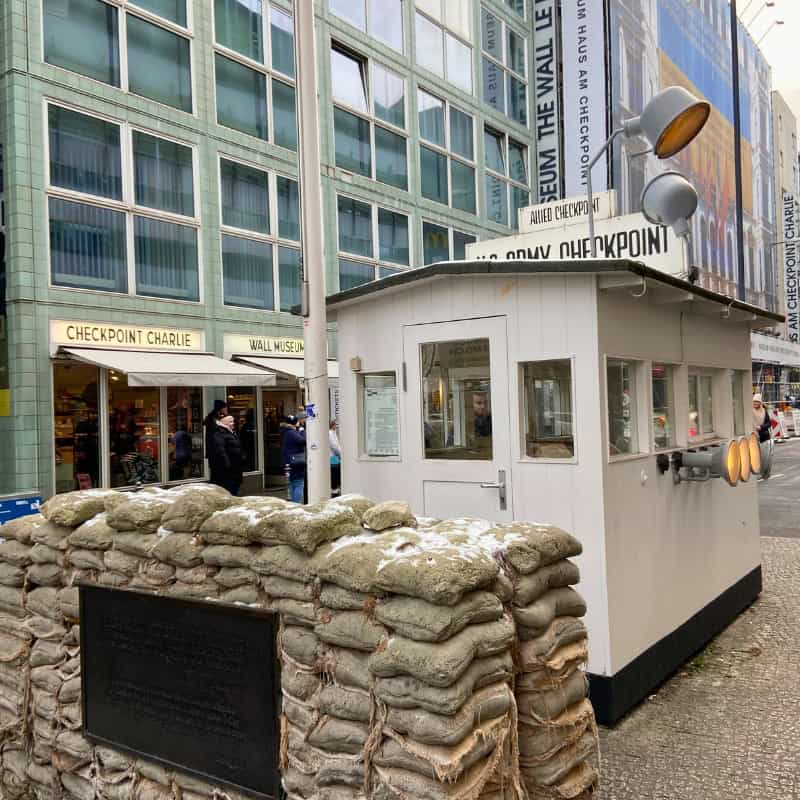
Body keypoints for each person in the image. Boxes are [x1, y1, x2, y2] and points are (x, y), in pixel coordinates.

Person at [209, 415, 243, 495]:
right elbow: (220, 450)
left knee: (234, 490)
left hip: (235, 469)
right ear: (224, 423)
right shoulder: (220, 433)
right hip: (227, 471)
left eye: (233, 421)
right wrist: (227, 464)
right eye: (231, 421)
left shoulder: (231, 433)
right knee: (229, 491)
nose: (233, 423)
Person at [281, 415, 306, 503]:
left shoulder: (286, 432)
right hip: (296, 462)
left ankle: (292, 503)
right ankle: (296, 504)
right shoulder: (291, 432)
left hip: (289, 461)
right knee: (299, 483)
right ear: (295, 423)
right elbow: (302, 440)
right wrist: (302, 431)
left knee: (292, 483)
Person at [329, 420, 341, 496]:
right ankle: (335, 493)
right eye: (335, 425)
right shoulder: (330, 433)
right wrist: (340, 454)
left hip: (334, 457)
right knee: (335, 476)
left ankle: (335, 491)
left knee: (336, 475)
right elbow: (334, 446)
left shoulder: (333, 433)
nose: (337, 426)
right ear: (332, 425)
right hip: (333, 457)